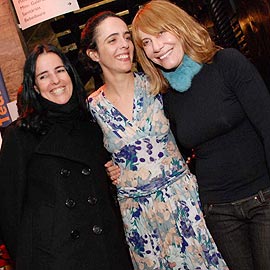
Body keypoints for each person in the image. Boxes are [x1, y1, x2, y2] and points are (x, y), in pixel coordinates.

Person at [80, 10, 228, 270]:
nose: (125, 45)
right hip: (141, 220)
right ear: (94, 54)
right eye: (112, 40)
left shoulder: (158, 83)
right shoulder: (91, 108)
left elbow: (198, 123)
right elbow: (88, 157)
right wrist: (105, 168)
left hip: (185, 204)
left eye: (126, 37)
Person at [131, 0, 270, 269]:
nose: (156, 47)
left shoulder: (227, 63)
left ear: (180, 27)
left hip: (263, 197)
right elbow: (164, 148)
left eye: (161, 33)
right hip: (218, 211)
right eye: (146, 43)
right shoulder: (165, 95)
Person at [0, 43, 133, 270]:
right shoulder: (20, 136)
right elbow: (9, 215)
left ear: (70, 73)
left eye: (60, 70)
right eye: (44, 76)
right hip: (57, 259)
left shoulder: (92, 126)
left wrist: (114, 176)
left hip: (108, 253)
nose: (55, 81)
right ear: (34, 86)